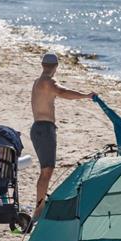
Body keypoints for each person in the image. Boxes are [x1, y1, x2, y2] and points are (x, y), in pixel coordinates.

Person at [30, 52, 96, 219]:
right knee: (47, 170)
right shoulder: (48, 82)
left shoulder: (38, 82)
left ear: (43, 65)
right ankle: (39, 209)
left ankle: (40, 204)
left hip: (39, 128)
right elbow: (64, 92)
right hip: (44, 129)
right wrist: (85, 96)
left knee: (46, 170)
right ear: (56, 67)